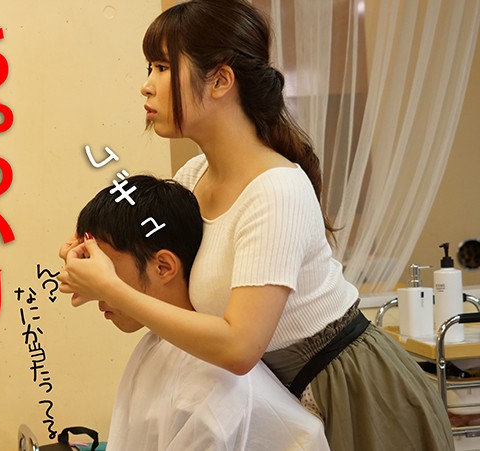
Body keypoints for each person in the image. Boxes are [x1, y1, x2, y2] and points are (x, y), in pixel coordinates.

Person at [57, 1, 454, 450]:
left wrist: (112, 287)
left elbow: (239, 348)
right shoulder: (192, 178)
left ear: (220, 81)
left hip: (353, 395)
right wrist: (99, 261)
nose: (146, 85)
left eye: (162, 67)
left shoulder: (276, 190)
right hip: (276, 396)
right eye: (150, 68)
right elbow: (163, 280)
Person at [73, 174, 328, 450]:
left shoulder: (211, 387)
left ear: (163, 267)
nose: (96, 286)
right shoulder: (161, 345)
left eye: (106, 270)